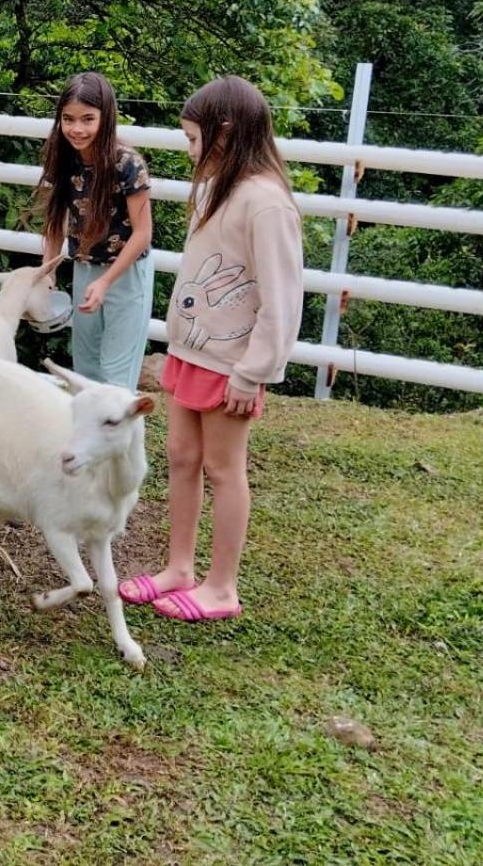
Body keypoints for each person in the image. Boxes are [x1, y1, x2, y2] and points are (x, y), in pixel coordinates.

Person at [119, 76, 304, 622]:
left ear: (225, 131)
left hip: (232, 365)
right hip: (190, 354)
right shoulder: (216, 188)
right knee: (182, 458)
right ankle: (179, 568)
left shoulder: (266, 203)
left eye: (196, 139)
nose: (191, 151)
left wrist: (255, 371)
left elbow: (282, 295)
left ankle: (221, 585)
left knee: (225, 470)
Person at [37, 71, 155, 389]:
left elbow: (143, 232)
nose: (77, 129)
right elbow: (53, 223)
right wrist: (47, 272)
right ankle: (87, 438)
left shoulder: (128, 163)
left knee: (117, 376)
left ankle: (125, 439)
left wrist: (106, 281)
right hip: (85, 266)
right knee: (86, 370)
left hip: (126, 272)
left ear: (106, 118)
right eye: (68, 119)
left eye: (88, 119)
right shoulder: (62, 157)